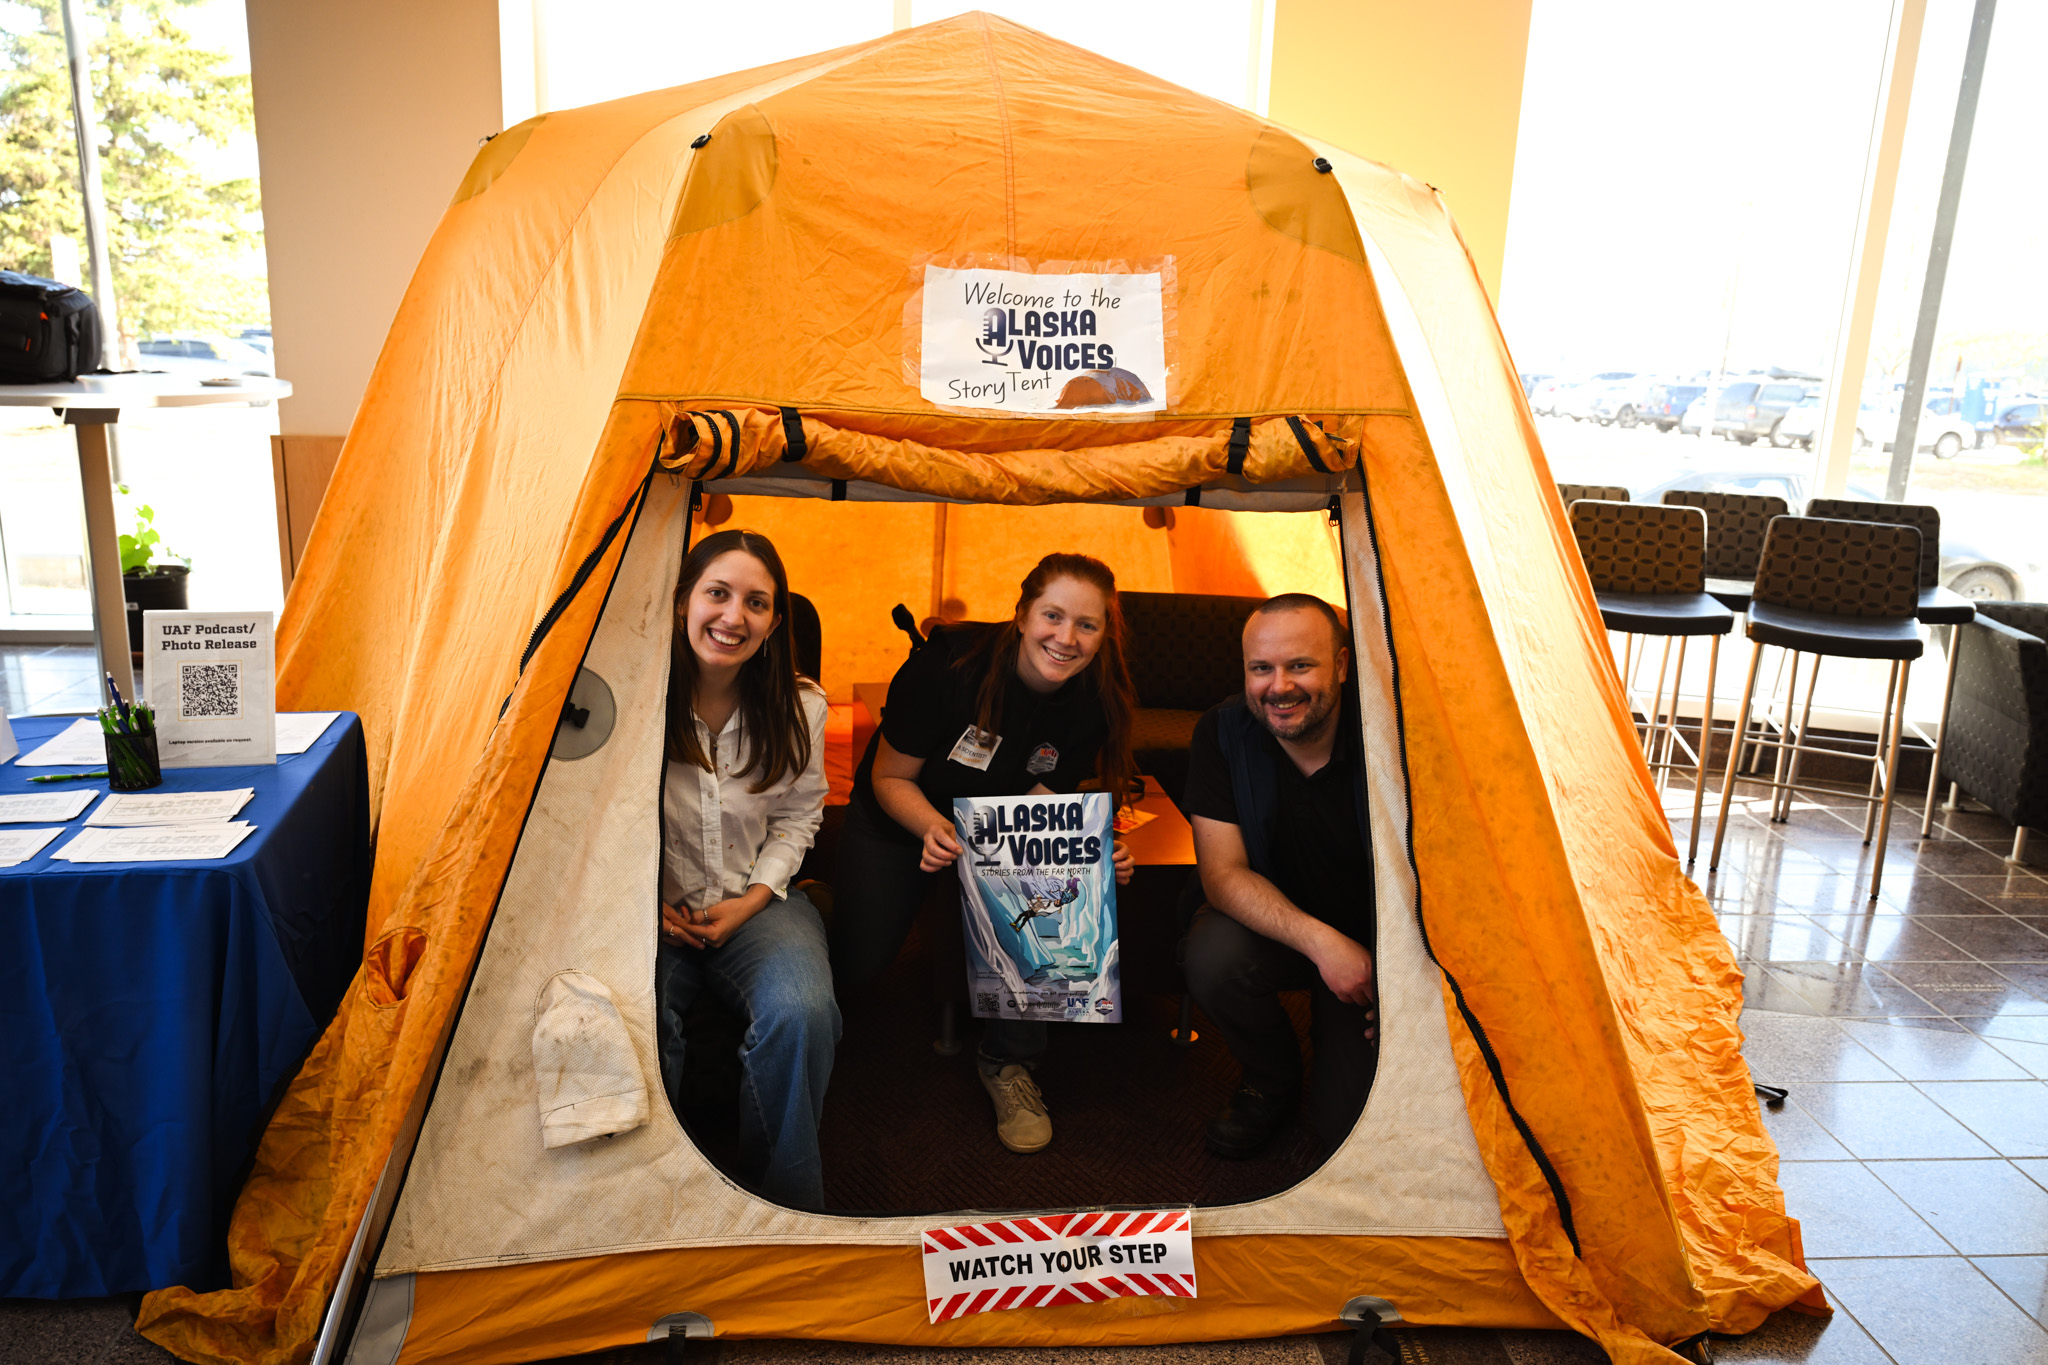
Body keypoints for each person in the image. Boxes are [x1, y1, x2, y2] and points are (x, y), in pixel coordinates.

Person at [831, 553, 1136, 1154]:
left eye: (1086, 625)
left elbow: (1044, 808)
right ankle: (822, 911)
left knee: (1042, 915)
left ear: (1105, 634)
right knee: (856, 967)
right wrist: (932, 829)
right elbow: (889, 780)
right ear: (1022, 615)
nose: (1066, 639)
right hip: (901, 818)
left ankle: (1009, 1064)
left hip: (998, 836)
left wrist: (1091, 855)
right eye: (1052, 615)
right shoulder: (946, 668)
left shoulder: (1095, 701)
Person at [656, 528, 837, 1209]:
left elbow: (798, 818)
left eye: (756, 602)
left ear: (774, 621)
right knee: (636, 1018)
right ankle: (657, 1201)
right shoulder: (634, 699)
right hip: (649, 906)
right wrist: (645, 904)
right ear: (682, 603)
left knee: (803, 1009)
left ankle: (784, 1204)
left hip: (758, 898)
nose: (734, 616)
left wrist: (756, 897)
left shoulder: (802, 707)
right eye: (718, 594)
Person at [1182, 592, 1377, 1159]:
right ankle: (1271, 1079)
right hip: (1284, 931)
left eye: (1300, 666)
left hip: (1377, 940)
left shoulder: (1392, 733)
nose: (1279, 687)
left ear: (1340, 666)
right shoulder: (1221, 734)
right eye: (1261, 668)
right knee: (1212, 955)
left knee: (1349, 1132)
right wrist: (1322, 943)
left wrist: (1402, 983)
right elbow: (1222, 875)